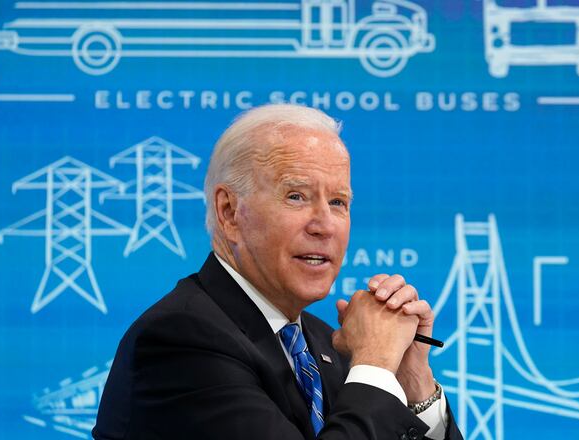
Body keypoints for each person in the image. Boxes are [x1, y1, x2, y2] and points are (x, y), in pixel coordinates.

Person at [93, 104, 462, 440]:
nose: (325, 226)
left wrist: (412, 380)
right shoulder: (180, 339)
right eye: (296, 196)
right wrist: (376, 362)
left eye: (338, 202)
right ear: (229, 212)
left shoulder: (325, 343)